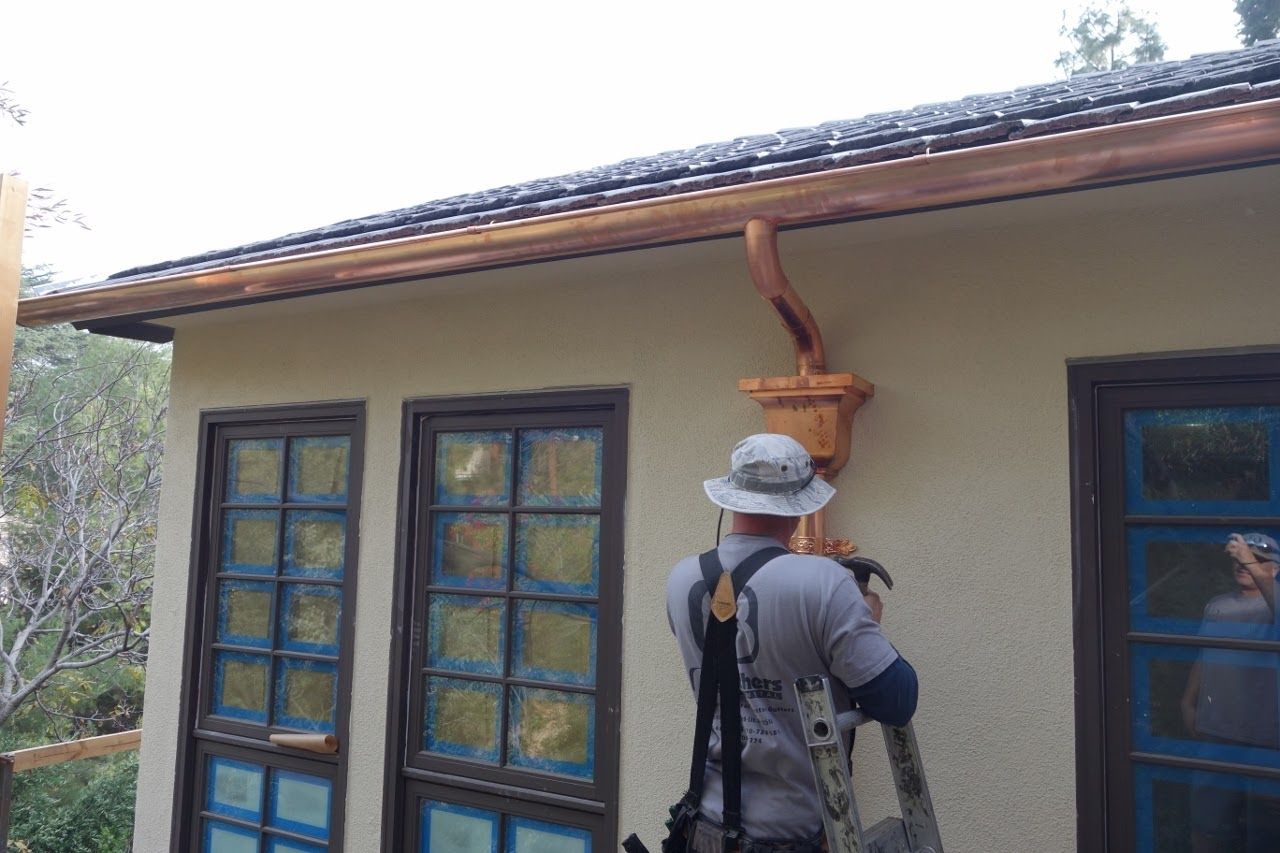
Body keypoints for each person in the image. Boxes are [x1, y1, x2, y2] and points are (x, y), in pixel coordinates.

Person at [666, 433, 918, 852]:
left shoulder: (680, 579)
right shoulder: (824, 582)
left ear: (731, 500)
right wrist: (868, 622)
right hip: (790, 837)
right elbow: (896, 701)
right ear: (801, 508)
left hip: (704, 827)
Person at [1180, 532, 1280, 853]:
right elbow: (1205, 654)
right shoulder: (1217, 605)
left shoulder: (1273, 607)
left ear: (1275, 569)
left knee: (1265, 834)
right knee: (1207, 828)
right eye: (1238, 558)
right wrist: (1188, 700)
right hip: (1216, 735)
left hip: (1266, 741)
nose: (1243, 563)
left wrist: (1249, 559)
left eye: (1259, 558)